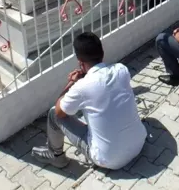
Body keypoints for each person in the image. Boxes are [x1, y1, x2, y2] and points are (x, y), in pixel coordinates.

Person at [32, 32, 147, 170]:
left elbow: (59, 111)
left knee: (53, 114)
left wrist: (71, 83)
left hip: (109, 159)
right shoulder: (121, 69)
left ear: (80, 62)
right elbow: (103, 89)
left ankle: (56, 156)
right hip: (138, 143)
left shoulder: (82, 86)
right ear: (102, 53)